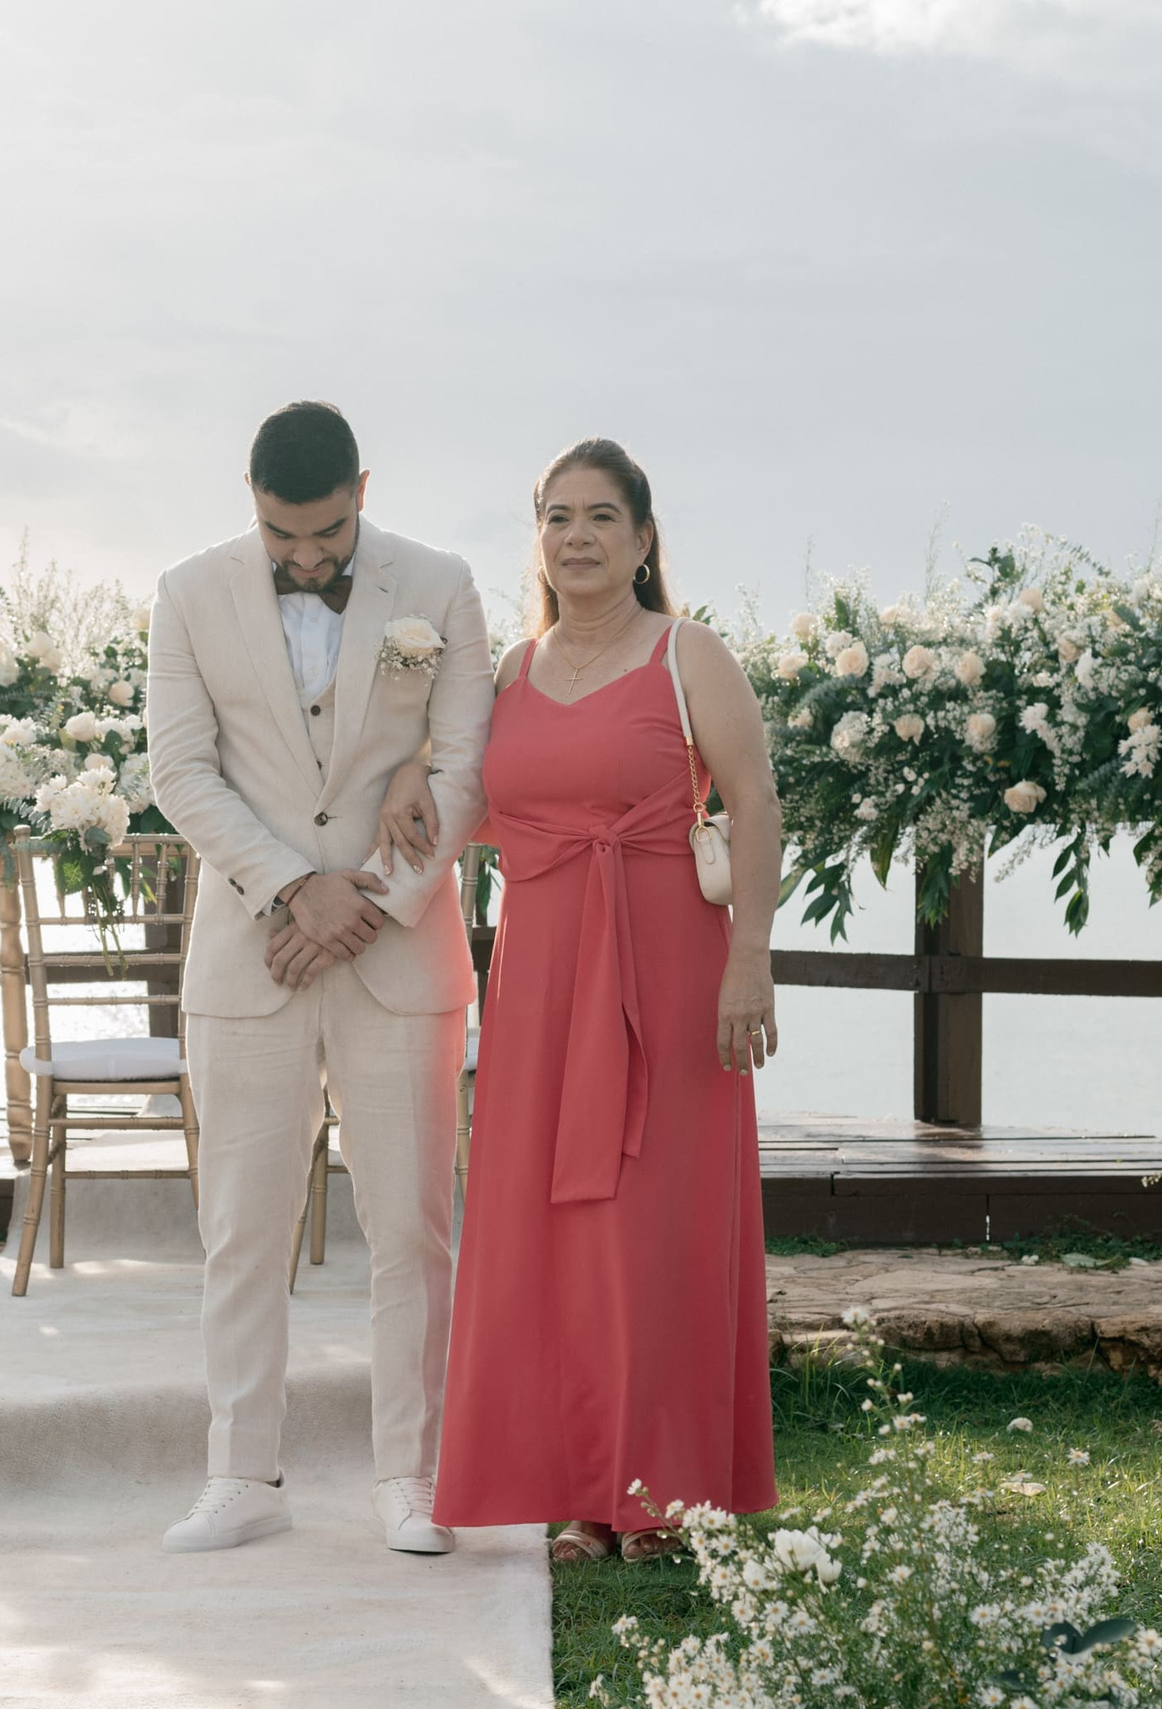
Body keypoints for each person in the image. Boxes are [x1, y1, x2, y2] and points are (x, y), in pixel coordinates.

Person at [143, 401, 497, 1554]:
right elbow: (180, 771)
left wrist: (368, 902)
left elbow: (465, 760)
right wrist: (298, 886)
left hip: (400, 950)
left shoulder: (437, 583)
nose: (306, 557)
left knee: (412, 1226)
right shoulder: (188, 591)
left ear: (362, 488)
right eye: (281, 536)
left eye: (328, 535)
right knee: (240, 1228)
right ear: (249, 494)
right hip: (251, 952)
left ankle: (414, 1474)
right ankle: (240, 1474)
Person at [419, 438, 780, 1563]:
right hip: (537, 979)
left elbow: (758, 797)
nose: (576, 536)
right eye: (557, 516)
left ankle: (662, 1491)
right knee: (550, 1230)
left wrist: (750, 957)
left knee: (657, 1225)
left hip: (670, 971)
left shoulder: (688, 654)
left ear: (642, 537)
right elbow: (462, 801)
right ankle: (581, 1489)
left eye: (601, 516)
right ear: (539, 536)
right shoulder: (508, 676)